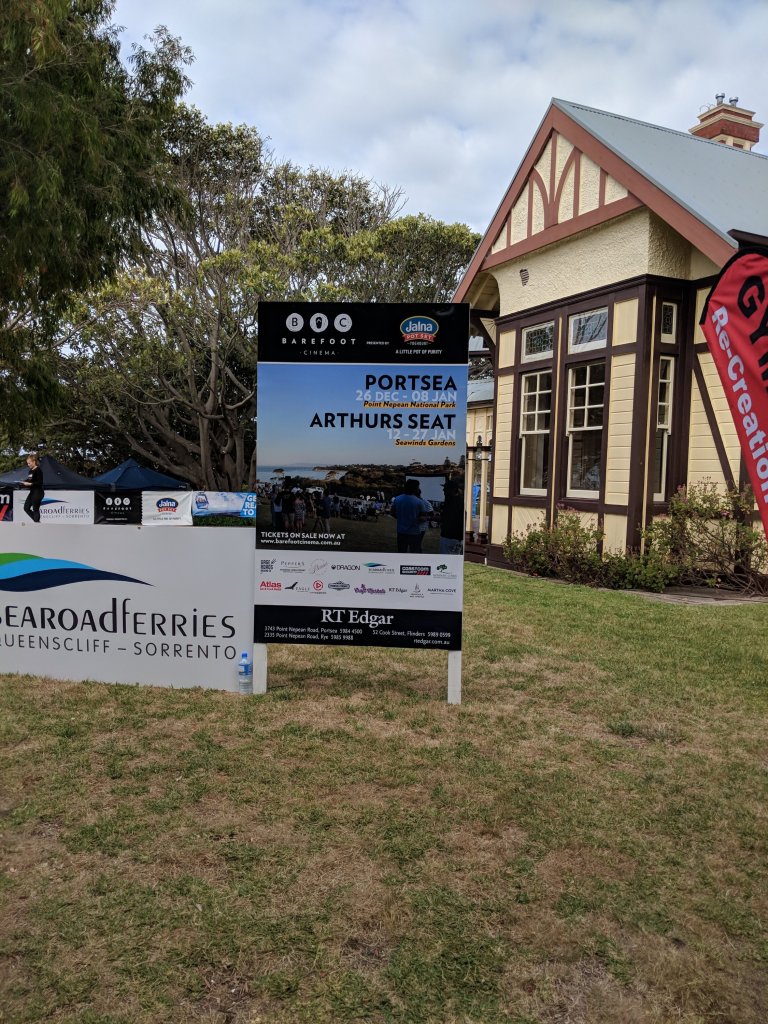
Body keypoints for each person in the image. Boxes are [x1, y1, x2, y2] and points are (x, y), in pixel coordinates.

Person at [389, 479, 430, 553]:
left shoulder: (397, 499)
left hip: (401, 531)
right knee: (414, 553)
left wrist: (401, 518)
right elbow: (423, 518)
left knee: (401, 552)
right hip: (414, 532)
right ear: (415, 488)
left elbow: (392, 513)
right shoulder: (419, 502)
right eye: (418, 487)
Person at [439, 479, 465, 555]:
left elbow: (446, 518)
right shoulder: (461, 501)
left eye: (445, 488)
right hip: (458, 538)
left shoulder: (451, 502)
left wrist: (430, 518)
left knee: (445, 559)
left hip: (448, 537)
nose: (443, 490)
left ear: (452, 490)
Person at [21, 453, 44, 523]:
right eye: (27, 463)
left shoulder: (38, 470)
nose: (28, 465)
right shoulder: (30, 471)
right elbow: (30, 480)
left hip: (38, 492)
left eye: (29, 463)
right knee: (26, 508)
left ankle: (37, 524)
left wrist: (30, 484)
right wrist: (23, 482)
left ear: (34, 462)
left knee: (35, 509)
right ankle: (37, 522)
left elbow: (39, 483)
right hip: (32, 492)